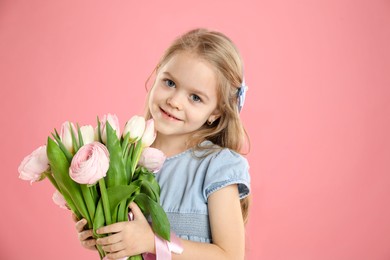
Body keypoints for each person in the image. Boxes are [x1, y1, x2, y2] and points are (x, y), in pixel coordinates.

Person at [74, 28, 251, 259]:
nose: (174, 101)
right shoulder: (123, 158)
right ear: (156, 75)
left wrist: (151, 241)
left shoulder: (216, 166)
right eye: (169, 82)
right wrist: (102, 231)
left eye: (195, 97)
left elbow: (230, 256)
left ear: (215, 112)